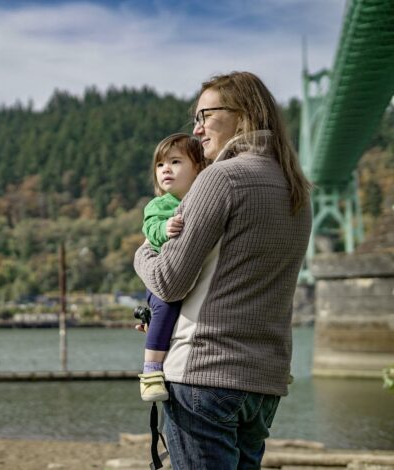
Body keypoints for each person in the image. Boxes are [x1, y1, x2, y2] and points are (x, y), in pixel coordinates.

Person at [133, 71, 312, 470]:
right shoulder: (296, 186)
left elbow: (168, 280)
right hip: (265, 381)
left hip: (205, 373)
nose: (196, 131)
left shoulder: (221, 178)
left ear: (244, 114)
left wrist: (142, 252)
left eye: (205, 115)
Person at [137, 133, 207, 402]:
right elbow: (150, 230)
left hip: (187, 276)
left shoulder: (202, 200)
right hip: (161, 276)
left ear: (199, 168)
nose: (165, 169)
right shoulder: (159, 205)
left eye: (175, 162)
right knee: (165, 307)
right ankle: (151, 370)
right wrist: (164, 228)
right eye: (160, 165)